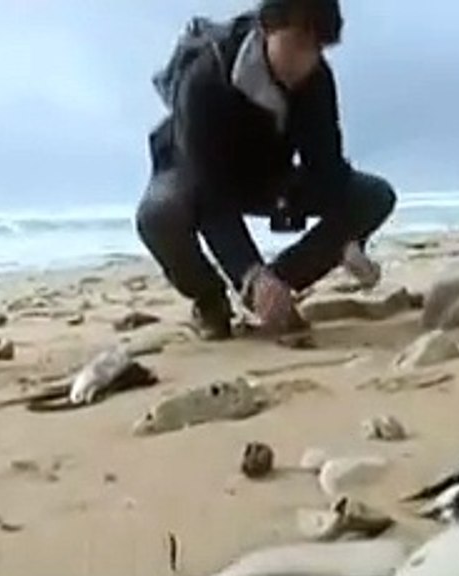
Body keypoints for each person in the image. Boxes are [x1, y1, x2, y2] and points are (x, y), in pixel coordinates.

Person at [136, 0, 396, 340]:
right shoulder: (205, 77)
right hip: (193, 174)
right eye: (298, 44)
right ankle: (210, 300)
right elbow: (212, 197)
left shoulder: (316, 78)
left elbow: (326, 168)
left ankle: (278, 289)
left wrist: (347, 242)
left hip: (268, 175)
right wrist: (249, 273)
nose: (306, 61)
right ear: (266, 28)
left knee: (373, 196)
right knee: (159, 215)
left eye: (317, 48)